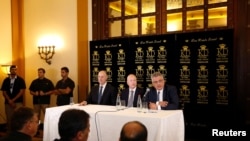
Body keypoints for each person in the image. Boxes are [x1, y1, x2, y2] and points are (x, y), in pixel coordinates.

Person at [0, 65, 26, 131]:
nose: (14, 70)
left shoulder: (20, 80)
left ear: (16, 70)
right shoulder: (6, 80)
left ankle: (19, 133)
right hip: (8, 103)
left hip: (18, 102)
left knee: (19, 118)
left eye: (15, 69)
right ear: (10, 70)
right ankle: (10, 133)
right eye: (12, 69)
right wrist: (9, 100)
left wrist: (13, 100)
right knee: (9, 118)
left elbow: (21, 91)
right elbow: (4, 92)